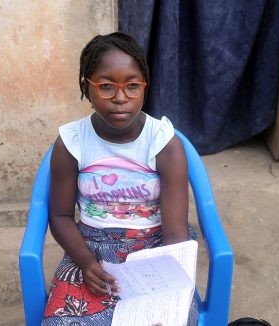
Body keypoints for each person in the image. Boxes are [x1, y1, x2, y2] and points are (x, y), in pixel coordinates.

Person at [42, 32, 198, 326]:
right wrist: (87, 262)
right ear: (86, 86)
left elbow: (175, 233)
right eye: (106, 87)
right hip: (90, 247)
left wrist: (161, 284)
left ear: (144, 87)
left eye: (132, 86)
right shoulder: (72, 142)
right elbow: (61, 216)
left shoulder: (163, 143)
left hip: (155, 246)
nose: (120, 98)